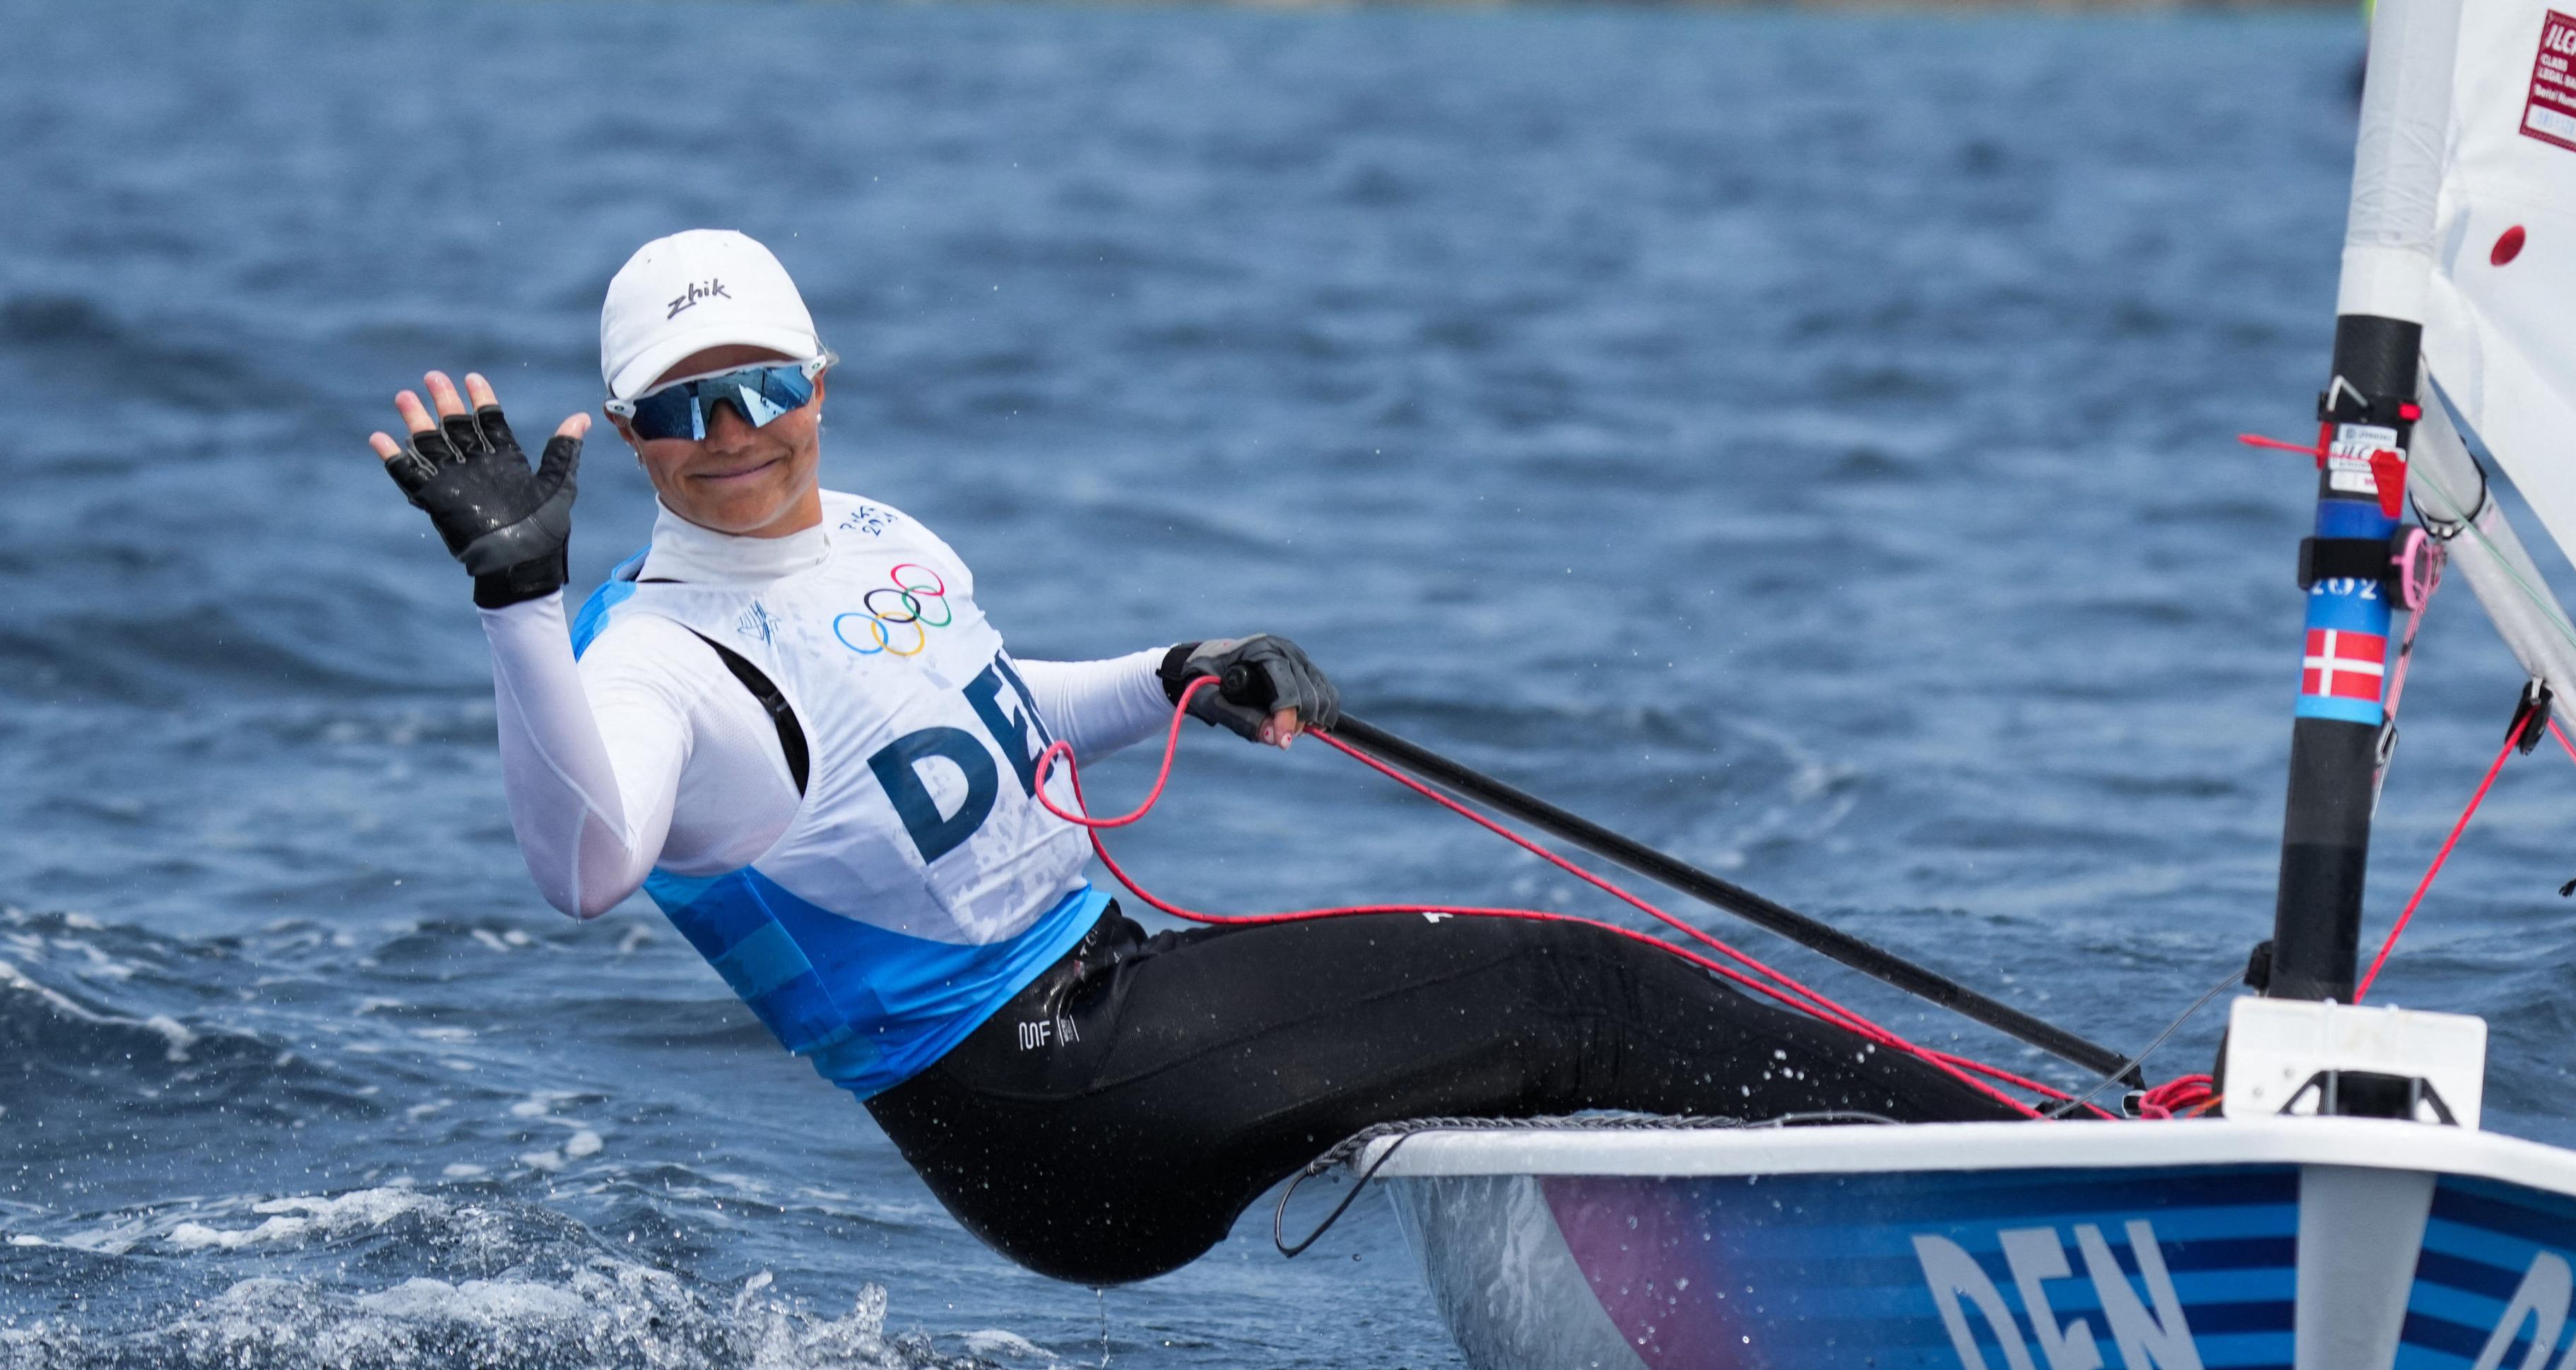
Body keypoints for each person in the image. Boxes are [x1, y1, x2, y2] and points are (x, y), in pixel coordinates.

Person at [372, 229, 2012, 1287]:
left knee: (1534, 1018)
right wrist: (519, 600)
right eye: (686, 409)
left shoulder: (872, 538)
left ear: (825, 383)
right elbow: (588, 867)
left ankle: (1815, 1226)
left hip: (1119, 1009)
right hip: (1047, 1099)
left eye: (768, 386)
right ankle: (2030, 1171)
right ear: (629, 433)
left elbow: (984, 706)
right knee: (1581, 988)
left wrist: (1177, 677)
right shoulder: (647, 659)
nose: (736, 433)